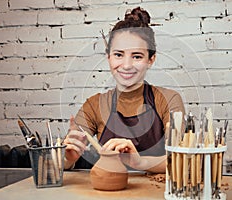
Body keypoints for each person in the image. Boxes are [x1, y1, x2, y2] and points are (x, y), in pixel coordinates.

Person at [63, 7, 185, 173]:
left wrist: (139, 163)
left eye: (137, 56)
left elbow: (181, 159)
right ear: (109, 58)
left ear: (151, 60)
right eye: (119, 55)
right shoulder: (94, 106)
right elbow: (59, 164)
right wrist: (68, 158)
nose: (126, 66)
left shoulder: (168, 100)